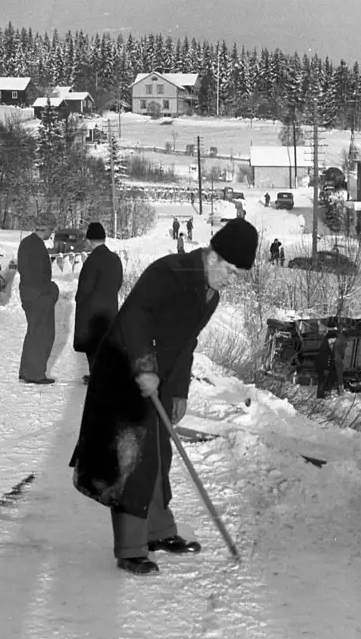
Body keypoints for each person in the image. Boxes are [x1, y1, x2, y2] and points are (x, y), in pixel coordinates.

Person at [70, 216, 259, 576]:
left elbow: (186, 344)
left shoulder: (210, 294)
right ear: (214, 256)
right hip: (124, 371)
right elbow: (135, 318)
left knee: (159, 453)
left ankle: (158, 531)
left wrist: (179, 392)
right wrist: (144, 367)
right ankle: (130, 549)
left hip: (158, 379)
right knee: (130, 459)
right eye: (232, 271)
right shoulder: (169, 272)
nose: (232, 281)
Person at [72, 220, 123, 382]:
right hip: (110, 309)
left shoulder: (92, 261)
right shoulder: (115, 259)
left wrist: (79, 299)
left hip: (92, 312)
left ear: (89, 240)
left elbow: (85, 288)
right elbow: (118, 283)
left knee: (92, 346)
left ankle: (98, 377)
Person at [17, 221, 60, 384]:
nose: (52, 233)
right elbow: (37, 275)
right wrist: (51, 290)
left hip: (29, 295)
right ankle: (35, 374)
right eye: (52, 229)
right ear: (46, 228)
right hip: (39, 297)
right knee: (43, 335)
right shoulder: (36, 245)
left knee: (33, 332)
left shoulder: (26, 242)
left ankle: (26, 370)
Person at [314, 330, 345, 399]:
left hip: (328, 367)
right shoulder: (324, 346)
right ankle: (321, 395)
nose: (334, 341)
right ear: (330, 339)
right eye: (334, 339)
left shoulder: (330, 346)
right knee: (323, 381)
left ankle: (324, 394)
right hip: (324, 367)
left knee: (328, 380)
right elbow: (322, 357)